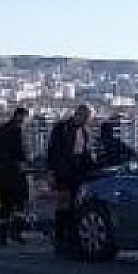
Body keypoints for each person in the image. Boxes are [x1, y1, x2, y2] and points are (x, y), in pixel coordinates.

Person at [46, 105, 95, 253]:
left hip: (78, 173)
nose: (86, 121)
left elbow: (86, 153)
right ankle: (60, 236)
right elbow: (53, 151)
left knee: (74, 205)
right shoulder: (62, 128)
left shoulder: (85, 132)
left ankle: (70, 236)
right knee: (63, 204)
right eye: (85, 118)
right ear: (79, 115)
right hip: (63, 172)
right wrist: (51, 171)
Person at [0, 108, 31, 246]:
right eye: (25, 118)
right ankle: (16, 233)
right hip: (16, 172)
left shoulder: (1, 129)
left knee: (4, 205)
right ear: (20, 117)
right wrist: (27, 160)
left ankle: (3, 237)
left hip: (2, 172)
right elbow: (23, 152)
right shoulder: (19, 131)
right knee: (19, 204)